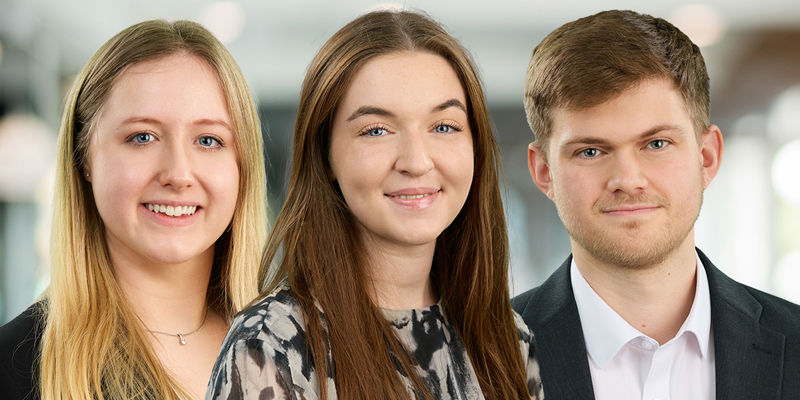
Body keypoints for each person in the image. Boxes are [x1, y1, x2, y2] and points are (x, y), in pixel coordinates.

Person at [207, 10, 543, 400]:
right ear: (325, 155)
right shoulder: (270, 347)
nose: (416, 161)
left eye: (444, 126)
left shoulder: (508, 340)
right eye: (377, 130)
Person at [511, 9, 800, 400]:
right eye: (591, 151)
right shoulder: (470, 357)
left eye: (657, 144)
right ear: (544, 171)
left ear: (707, 157)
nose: (627, 180)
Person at [0, 20, 266, 399]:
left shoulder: (295, 348)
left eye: (208, 140)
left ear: (243, 165)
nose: (178, 174)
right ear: (84, 157)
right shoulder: (12, 368)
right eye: (142, 137)